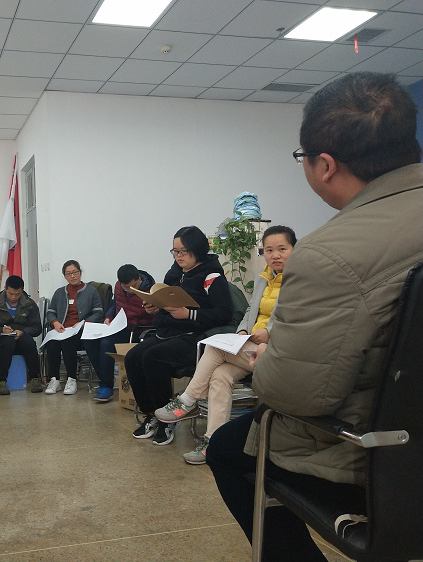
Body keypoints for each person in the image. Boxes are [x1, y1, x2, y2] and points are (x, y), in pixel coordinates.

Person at [207, 72, 423, 561]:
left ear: (324, 165)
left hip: (382, 456)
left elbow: (294, 394)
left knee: (228, 449)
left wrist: (265, 361)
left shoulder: (330, 254)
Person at [154, 226, 296, 464]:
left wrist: (269, 333)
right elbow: (251, 310)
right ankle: (213, 443)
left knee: (214, 347)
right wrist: (242, 330)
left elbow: (296, 318)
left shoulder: (299, 281)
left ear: (295, 249)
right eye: (269, 250)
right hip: (252, 345)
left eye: (282, 249)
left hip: (278, 351)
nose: (275, 255)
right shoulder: (264, 278)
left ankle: (188, 400)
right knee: (220, 375)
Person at [126, 226, 233, 446]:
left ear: (197, 249)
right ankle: (152, 414)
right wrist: (155, 307)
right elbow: (167, 303)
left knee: (152, 357)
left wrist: (189, 314)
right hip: (169, 331)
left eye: (183, 251)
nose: (178, 256)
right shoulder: (174, 274)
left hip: (196, 337)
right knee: (133, 357)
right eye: (175, 251)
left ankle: (168, 419)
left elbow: (224, 313)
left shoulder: (212, 276)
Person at [82, 264, 155, 402]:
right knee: (89, 340)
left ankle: (106, 386)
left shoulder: (150, 291)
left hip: (137, 331)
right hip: (119, 327)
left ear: (139, 279)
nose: (128, 290)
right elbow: (115, 304)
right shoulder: (119, 286)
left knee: (106, 344)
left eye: (132, 286)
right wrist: (109, 317)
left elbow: (155, 316)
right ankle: (105, 378)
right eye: (125, 287)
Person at [44, 260, 104, 396]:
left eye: (75, 272)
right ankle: (54, 380)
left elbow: (98, 313)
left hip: (81, 331)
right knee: (52, 343)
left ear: (80, 272)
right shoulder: (59, 292)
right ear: (65, 276)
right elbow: (51, 312)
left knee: (67, 341)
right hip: (61, 330)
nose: (72, 276)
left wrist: (84, 322)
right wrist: (55, 322)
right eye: (68, 274)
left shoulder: (91, 291)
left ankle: (71, 379)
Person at [0, 275, 42, 395]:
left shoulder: (29, 304)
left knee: (29, 342)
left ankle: (35, 378)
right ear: (5, 288)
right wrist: (1, 330)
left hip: (21, 339)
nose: (13, 297)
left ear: (22, 291)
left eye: (17, 294)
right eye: (10, 293)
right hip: (1, 341)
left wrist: (23, 331)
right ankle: (1, 380)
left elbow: (37, 328)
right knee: (8, 343)